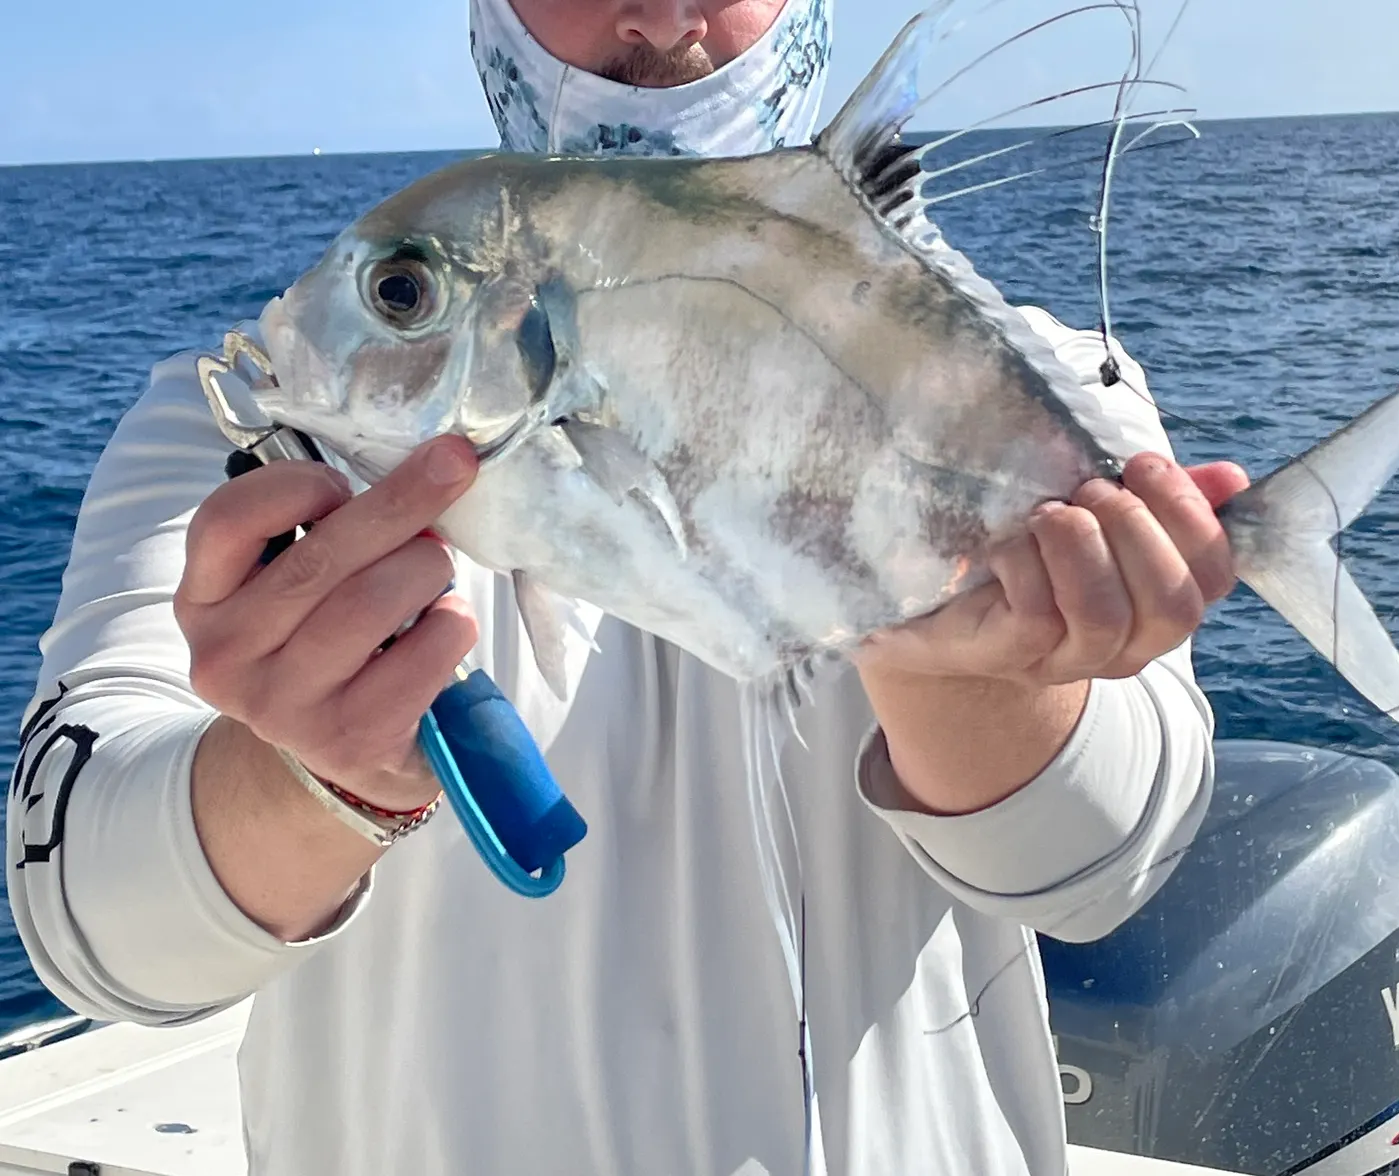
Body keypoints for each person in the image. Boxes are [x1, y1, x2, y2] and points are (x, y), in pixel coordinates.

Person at [8, 1, 1250, 1172]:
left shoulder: (1031, 392)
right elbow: (88, 929)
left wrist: (960, 668)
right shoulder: (246, 440)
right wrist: (301, 784)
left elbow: (1104, 871)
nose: (659, 19)